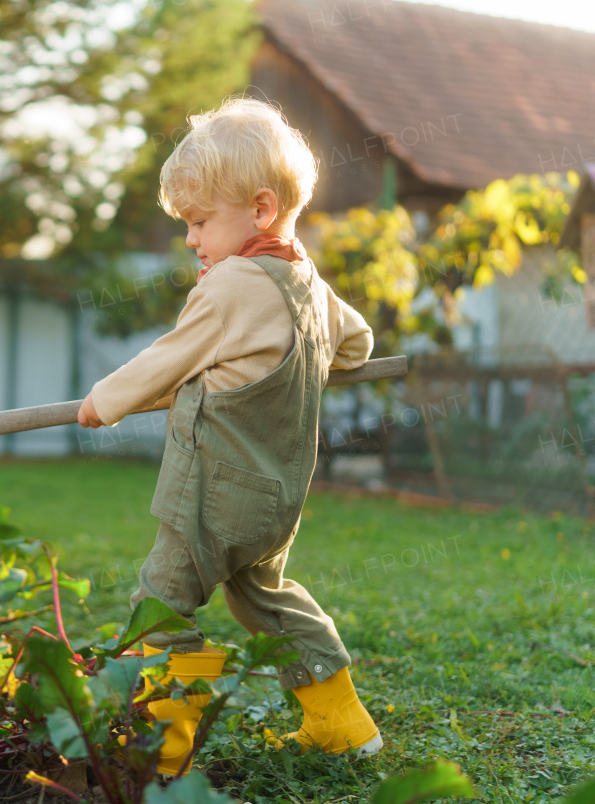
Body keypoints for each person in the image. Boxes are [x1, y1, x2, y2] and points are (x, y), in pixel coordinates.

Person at [77, 98, 383, 774]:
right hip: (275, 501)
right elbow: (357, 346)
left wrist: (107, 400)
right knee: (266, 599)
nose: (192, 240)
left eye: (199, 222)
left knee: (161, 601)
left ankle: (168, 750)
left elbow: (171, 356)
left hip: (210, 497)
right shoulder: (308, 283)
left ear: (261, 209)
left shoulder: (232, 284)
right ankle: (343, 725)